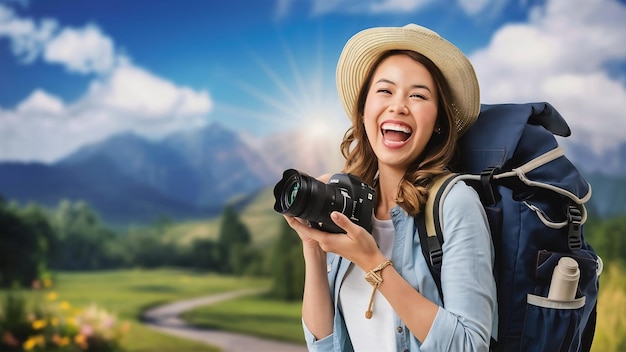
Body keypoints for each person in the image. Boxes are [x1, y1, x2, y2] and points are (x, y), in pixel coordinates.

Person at [283, 23, 498, 352]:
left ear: (439, 121)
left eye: (418, 95)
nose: (399, 105)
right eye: (385, 91)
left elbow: (469, 346)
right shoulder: (349, 207)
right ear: (365, 108)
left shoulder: (454, 204)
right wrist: (312, 247)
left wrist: (372, 262)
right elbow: (323, 345)